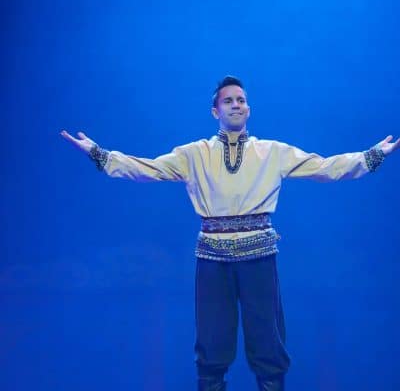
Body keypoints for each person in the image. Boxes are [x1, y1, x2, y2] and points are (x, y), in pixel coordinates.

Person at [61, 76, 399, 391]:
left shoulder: (273, 152)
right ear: (215, 111)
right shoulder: (193, 154)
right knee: (212, 343)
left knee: (267, 341)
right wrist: (99, 153)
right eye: (228, 101)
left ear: (248, 109)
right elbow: (146, 168)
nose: (236, 104)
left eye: (241, 100)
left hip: (259, 256)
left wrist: (370, 156)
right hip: (212, 258)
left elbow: (325, 168)